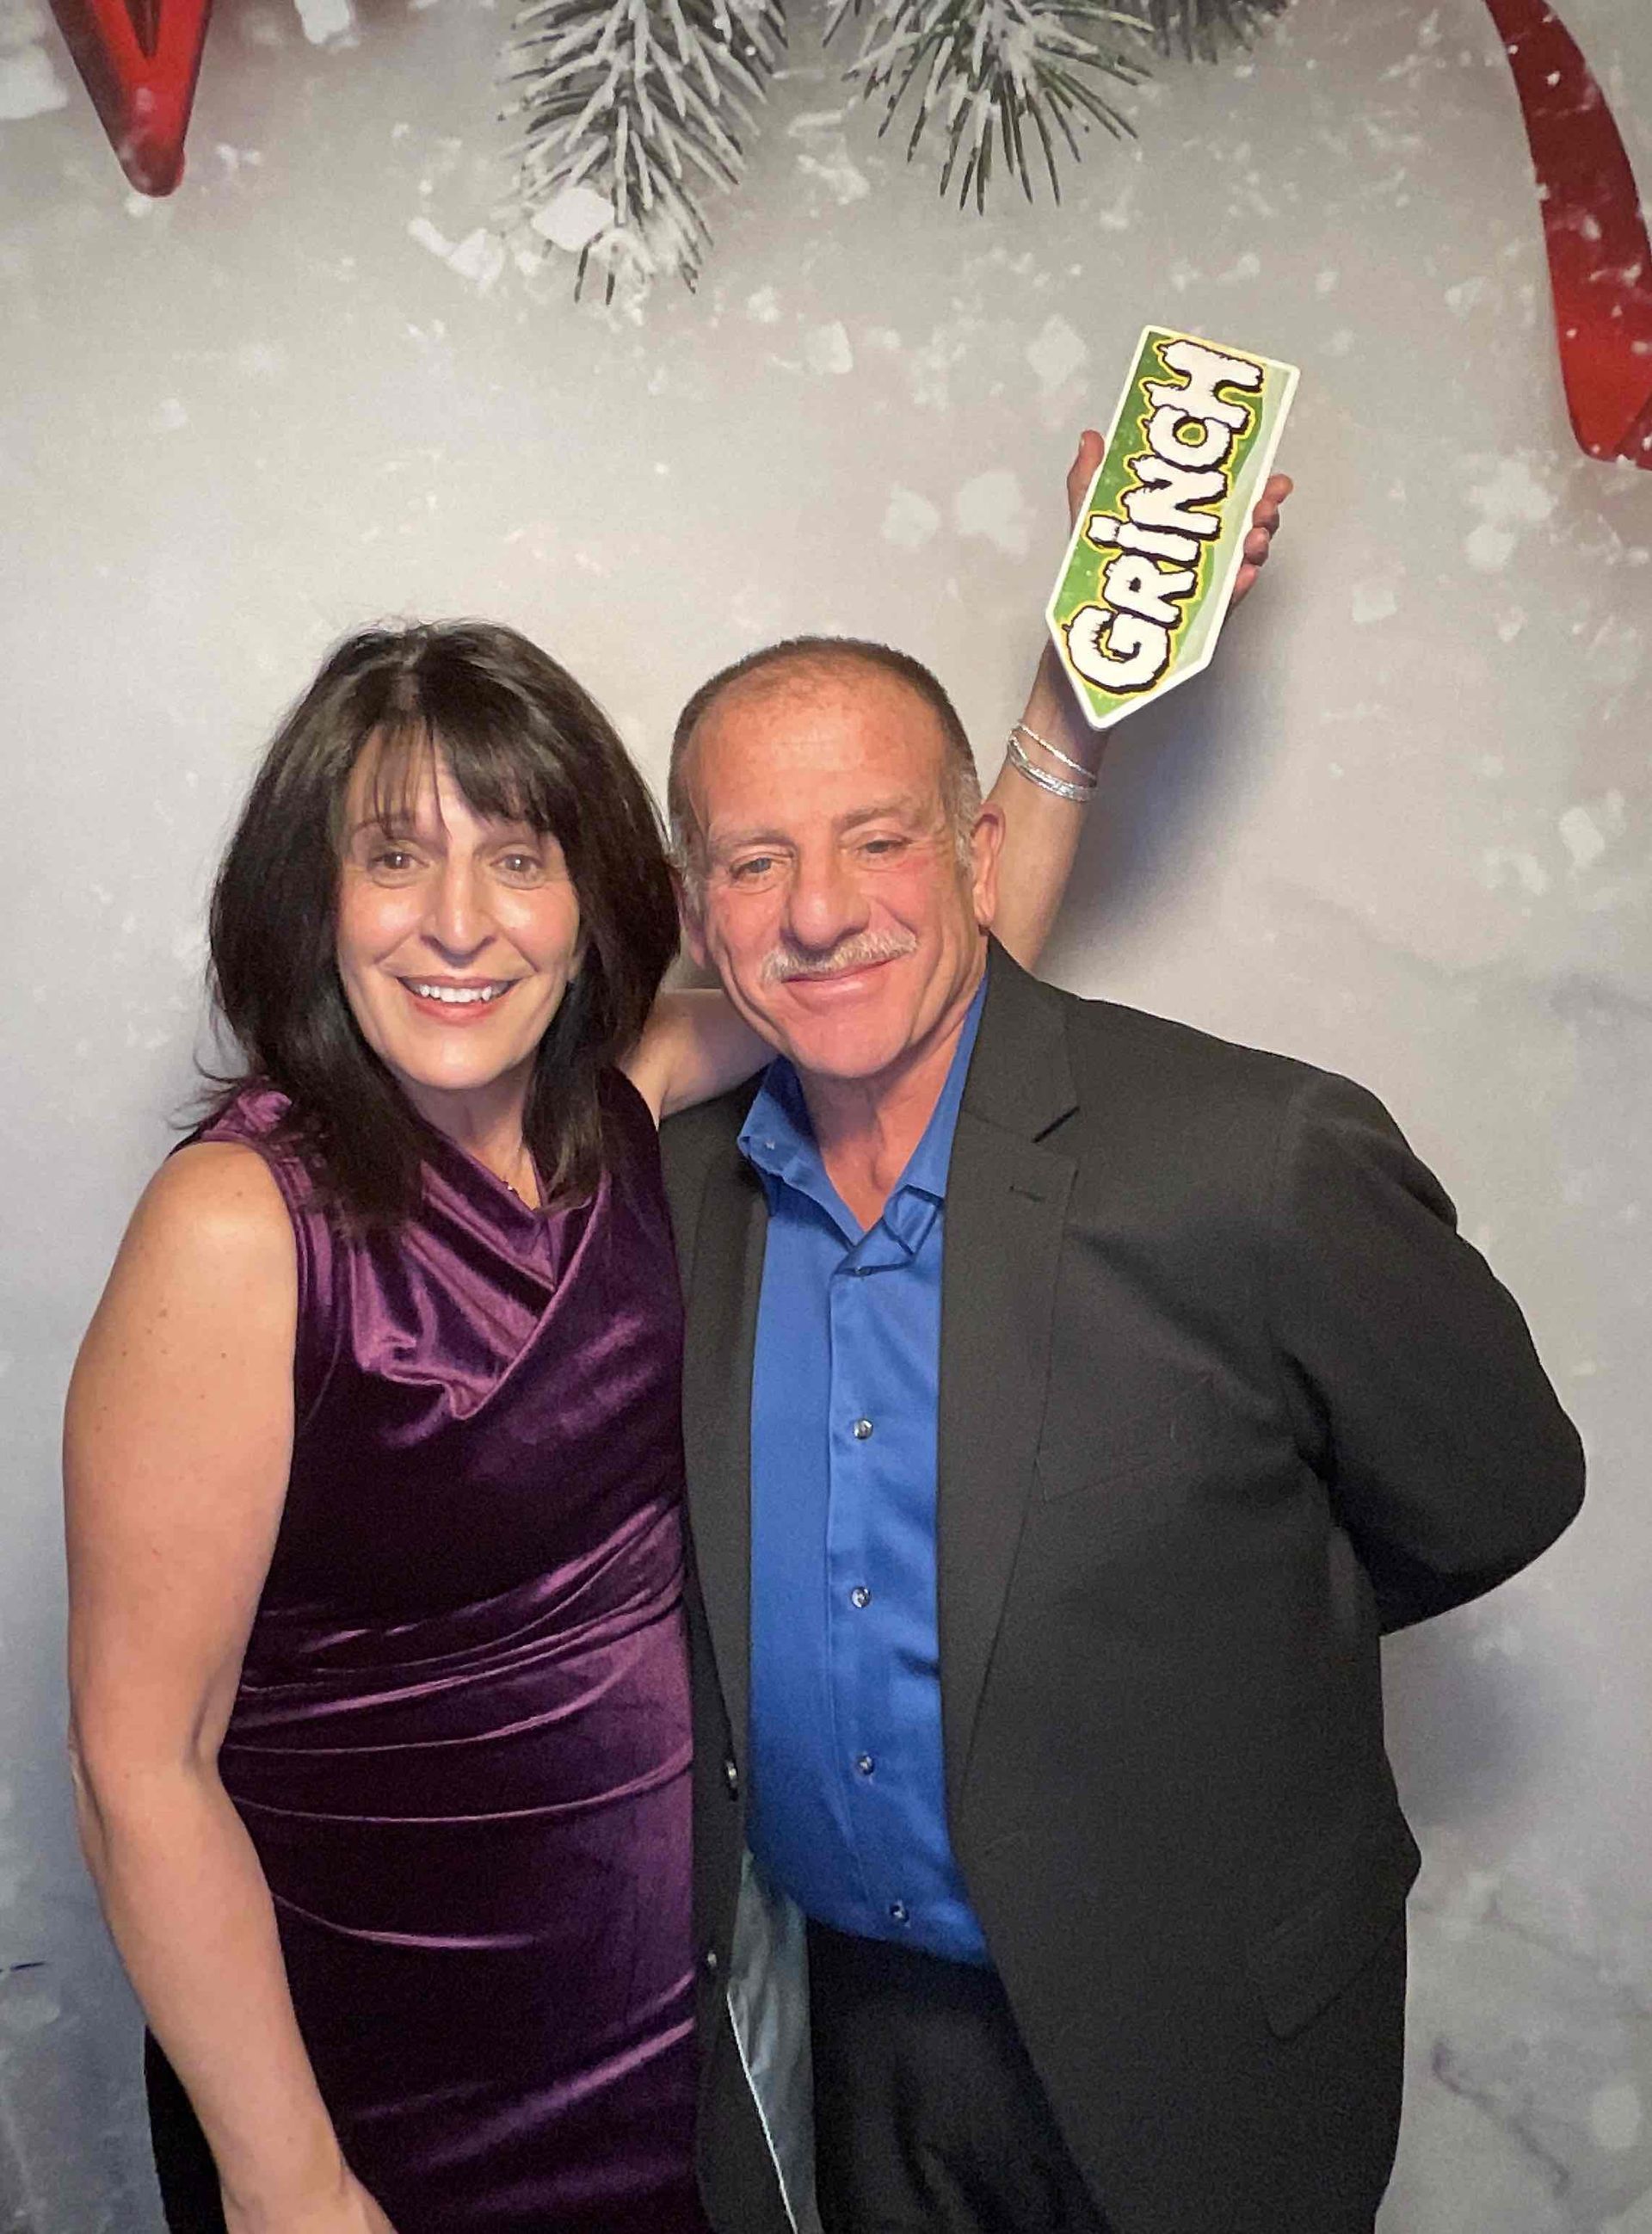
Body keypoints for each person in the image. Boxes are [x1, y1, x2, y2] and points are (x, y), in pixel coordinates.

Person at [59, 455, 1285, 2234]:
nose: (462, 922)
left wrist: (1082, 669)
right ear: (313, 898)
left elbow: (914, 953)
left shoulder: (623, 1096)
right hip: (369, 2058)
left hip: (665, 2028)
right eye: (394, 858)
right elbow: (136, 1763)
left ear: (594, 894)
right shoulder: (243, 1226)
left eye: (518, 857)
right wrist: (289, 2179)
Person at [658, 634, 1587, 2234]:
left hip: (1201, 2041)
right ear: (696, 909)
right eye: (757, 860)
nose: (819, 910)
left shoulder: (1256, 1158)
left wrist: (1201, 1635)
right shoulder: (673, 1198)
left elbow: (1493, 1494)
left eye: (879, 837)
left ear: (977, 848)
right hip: (850, 2043)